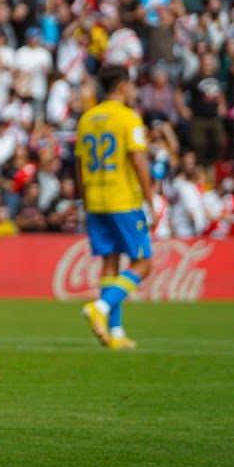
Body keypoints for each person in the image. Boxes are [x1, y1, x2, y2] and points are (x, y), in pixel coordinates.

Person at [78, 66, 155, 351]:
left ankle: (116, 332)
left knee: (110, 263)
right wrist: (151, 200)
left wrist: (86, 200)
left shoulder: (86, 119)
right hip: (122, 199)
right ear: (123, 86)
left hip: (95, 199)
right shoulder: (128, 117)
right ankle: (101, 306)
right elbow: (138, 160)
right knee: (143, 263)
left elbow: (79, 165)